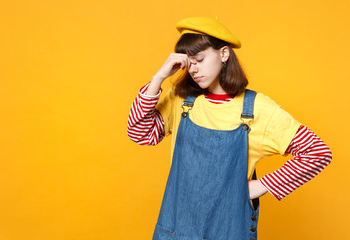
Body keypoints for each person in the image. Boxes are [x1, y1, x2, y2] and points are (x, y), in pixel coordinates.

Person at [127, 17, 332, 240]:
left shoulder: (257, 109)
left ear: (224, 54)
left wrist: (257, 187)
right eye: (189, 62)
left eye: (200, 59)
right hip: (178, 230)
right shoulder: (182, 101)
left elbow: (318, 153)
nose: (193, 69)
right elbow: (140, 133)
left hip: (229, 231)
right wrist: (159, 78)